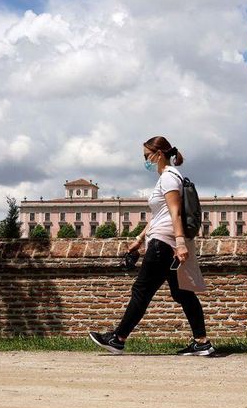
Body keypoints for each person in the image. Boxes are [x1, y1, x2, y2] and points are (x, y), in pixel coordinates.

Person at [89, 136, 214, 356]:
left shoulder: (168, 178)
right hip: (165, 241)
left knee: (141, 291)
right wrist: (139, 239)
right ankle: (202, 342)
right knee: (182, 293)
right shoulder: (170, 177)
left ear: (159, 154)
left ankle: (118, 339)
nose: (145, 161)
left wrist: (180, 243)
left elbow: (175, 212)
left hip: (164, 243)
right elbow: (160, 215)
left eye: (147, 156)